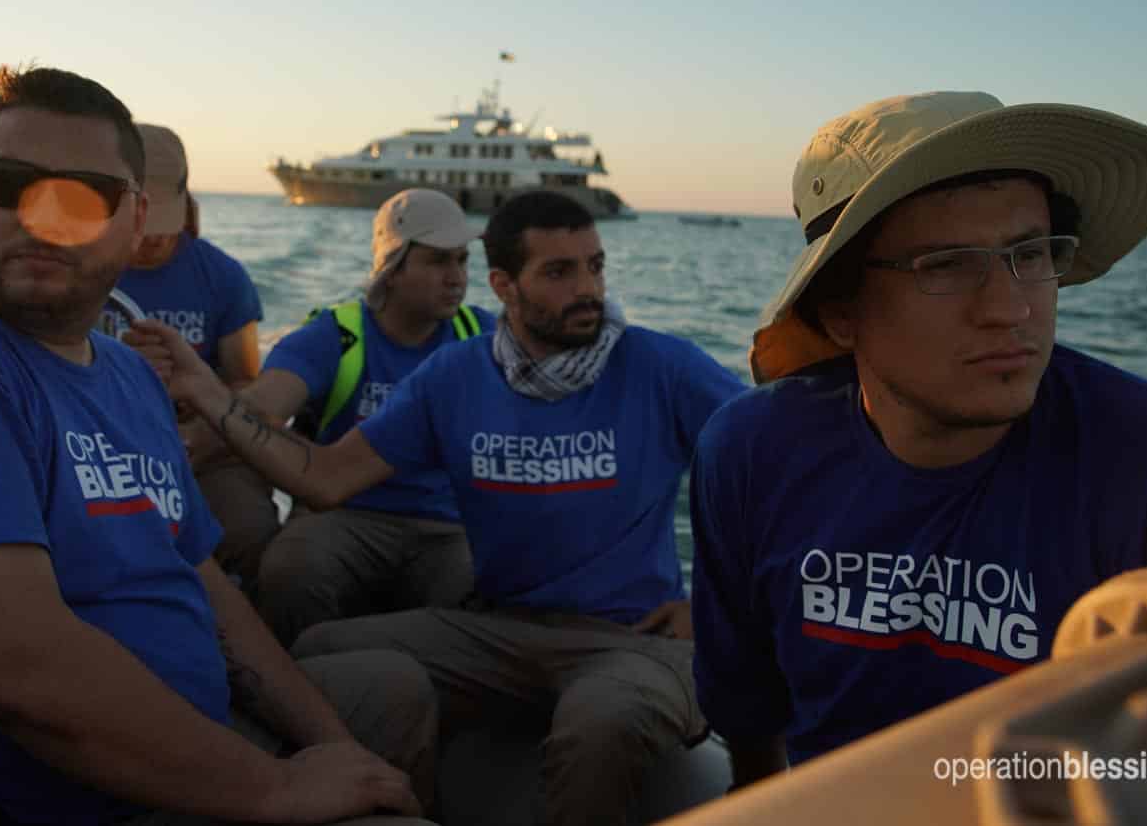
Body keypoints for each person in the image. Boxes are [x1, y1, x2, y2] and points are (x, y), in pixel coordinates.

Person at [0, 65, 434, 825]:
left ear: (137, 215)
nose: (42, 219)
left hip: (189, 745)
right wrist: (277, 788)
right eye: (10, 182)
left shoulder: (125, 375)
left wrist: (333, 750)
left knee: (395, 696)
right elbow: (20, 676)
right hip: (36, 792)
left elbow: (203, 585)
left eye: (85, 196)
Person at [688, 90, 1147, 788]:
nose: (1012, 309)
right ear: (840, 310)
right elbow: (750, 720)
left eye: (1030, 252)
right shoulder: (750, 452)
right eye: (944, 265)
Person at [127, 190, 748, 826]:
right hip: (503, 629)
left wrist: (721, 604)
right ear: (505, 285)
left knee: (602, 723)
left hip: (635, 638)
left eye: (595, 265)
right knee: (321, 651)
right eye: (559, 272)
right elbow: (326, 477)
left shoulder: (659, 364)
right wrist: (205, 390)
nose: (587, 287)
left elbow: (779, 464)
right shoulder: (458, 374)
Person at [239, 188, 493, 645]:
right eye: (437, 261)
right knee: (292, 566)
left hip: (448, 530)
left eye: (462, 261)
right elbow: (260, 412)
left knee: (486, 578)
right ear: (392, 268)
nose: (456, 277)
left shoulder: (483, 336)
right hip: (341, 518)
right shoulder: (335, 336)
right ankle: (301, 688)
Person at [103, 124, 269, 583]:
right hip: (101, 443)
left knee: (250, 527)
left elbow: (247, 384)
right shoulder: (82, 268)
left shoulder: (223, 277)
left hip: (203, 445)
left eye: (165, 225)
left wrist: (200, 435)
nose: (154, 238)